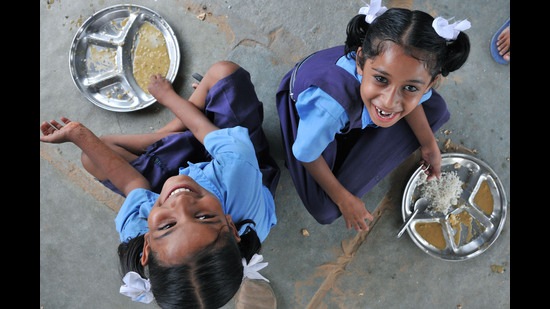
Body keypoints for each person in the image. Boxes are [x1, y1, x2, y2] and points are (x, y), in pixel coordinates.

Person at [40, 61, 280, 309]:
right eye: (204, 216)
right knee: (223, 72)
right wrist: (168, 97)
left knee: (91, 157)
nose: (181, 202)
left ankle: (173, 133)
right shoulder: (240, 174)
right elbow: (202, 129)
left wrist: (78, 134)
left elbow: (134, 183)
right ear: (231, 225)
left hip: (182, 177)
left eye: (167, 225)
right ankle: (175, 129)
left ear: (146, 246)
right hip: (237, 167)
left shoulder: (136, 232)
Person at [275, 0, 471, 231]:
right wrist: (343, 199)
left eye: (410, 87)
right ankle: (345, 146)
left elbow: (406, 96)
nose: (389, 101)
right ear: (360, 61)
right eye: (381, 79)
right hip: (311, 116)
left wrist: (429, 146)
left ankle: (357, 131)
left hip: (349, 108)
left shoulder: (407, 77)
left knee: (436, 110)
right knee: (326, 209)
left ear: (431, 83)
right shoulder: (329, 108)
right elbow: (305, 154)